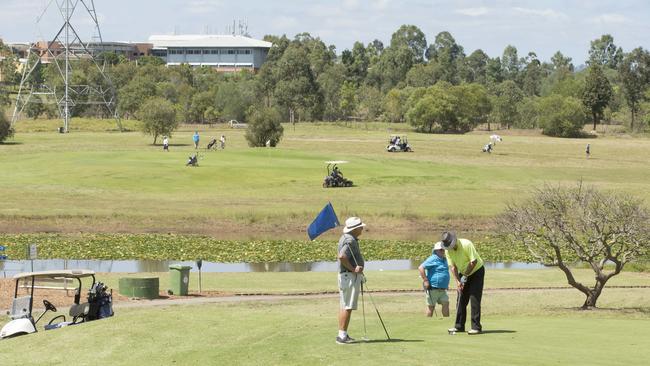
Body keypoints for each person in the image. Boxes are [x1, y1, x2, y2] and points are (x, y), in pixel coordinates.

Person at [441, 231, 485, 335]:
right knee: (461, 299)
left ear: (455, 240)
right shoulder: (448, 251)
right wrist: (457, 281)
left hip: (476, 271)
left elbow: (473, 262)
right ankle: (459, 326)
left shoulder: (466, 244)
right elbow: (452, 267)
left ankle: (476, 327)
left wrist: (465, 276)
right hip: (462, 273)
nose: (450, 247)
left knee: (474, 298)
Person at [336, 217, 366, 344]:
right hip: (349, 276)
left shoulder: (347, 238)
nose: (362, 228)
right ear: (355, 229)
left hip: (347, 276)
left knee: (345, 305)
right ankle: (342, 336)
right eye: (360, 227)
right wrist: (354, 269)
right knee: (347, 306)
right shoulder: (350, 239)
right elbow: (342, 256)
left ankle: (343, 334)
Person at [418, 241, 450, 318]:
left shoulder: (445, 259)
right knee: (431, 307)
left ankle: (446, 322)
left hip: (443, 289)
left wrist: (445, 284)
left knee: (446, 303)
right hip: (433, 288)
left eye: (443, 249)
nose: (443, 251)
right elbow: (421, 267)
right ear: (436, 251)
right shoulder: (433, 258)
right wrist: (425, 280)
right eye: (440, 250)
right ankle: (428, 323)